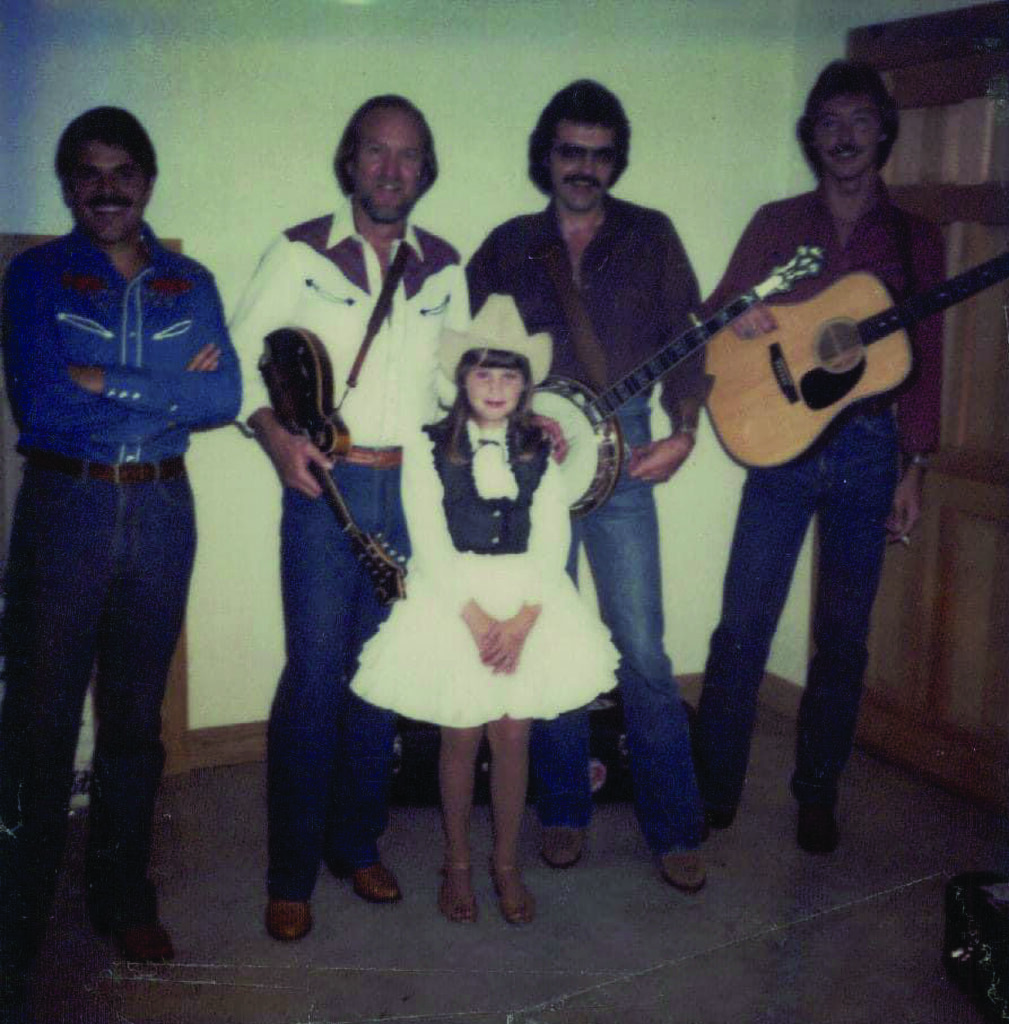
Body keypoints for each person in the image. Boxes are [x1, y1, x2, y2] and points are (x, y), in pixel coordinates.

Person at [0, 105, 240, 1002]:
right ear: (69, 187)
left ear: (148, 179)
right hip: (66, 505)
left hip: (161, 509)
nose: (107, 189)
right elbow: (46, 406)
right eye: (88, 174)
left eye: (123, 171)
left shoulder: (192, 280)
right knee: (39, 724)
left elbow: (224, 398)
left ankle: (121, 891)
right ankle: (16, 912)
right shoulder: (35, 278)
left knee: (137, 722)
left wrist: (111, 379)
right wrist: (168, 389)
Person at [229, 95, 468, 942]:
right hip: (322, 490)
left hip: (406, 496)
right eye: (376, 152)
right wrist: (273, 443)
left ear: (425, 170)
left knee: (382, 675)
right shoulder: (299, 251)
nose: (391, 170)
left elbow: (453, 390)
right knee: (316, 675)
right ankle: (290, 871)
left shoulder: (444, 265)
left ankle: (355, 843)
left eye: (408, 156)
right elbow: (239, 367)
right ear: (350, 161)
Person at [693, 60, 944, 853]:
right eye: (828, 122)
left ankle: (815, 793)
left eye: (859, 121)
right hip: (778, 448)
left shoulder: (915, 238)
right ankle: (714, 789)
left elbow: (925, 353)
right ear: (810, 136)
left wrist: (916, 464)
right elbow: (713, 317)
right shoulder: (775, 222)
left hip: (869, 450)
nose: (843, 137)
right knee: (741, 628)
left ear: (882, 133)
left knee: (842, 636)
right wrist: (741, 321)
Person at [467, 80, 707, 891]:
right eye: (571, 151)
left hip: (627, 450)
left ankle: (676, 827)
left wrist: (682, 431)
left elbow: (688, 338)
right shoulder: (505, 244)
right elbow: (469, 354)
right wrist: (504, 432)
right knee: (549, 636)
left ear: (616, 162)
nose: (585, 168)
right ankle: (563, 811)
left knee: (640, 644)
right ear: (546, 154)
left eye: (601, 156)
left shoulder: (651, 235)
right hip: (535, 459)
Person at [352, 295, 618, 925]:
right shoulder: (427, 446)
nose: (496, 387)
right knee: (460, 732)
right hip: (453, 600)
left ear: (525, 386)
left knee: (514, 733)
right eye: (483, 373)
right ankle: (457, 862)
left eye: (509, 375)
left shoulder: (536, 446)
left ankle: (504, 863)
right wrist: (476, 623)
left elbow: (554, 538)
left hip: (528, 596)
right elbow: (430, 542)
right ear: (462, 379)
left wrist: (524, 620)